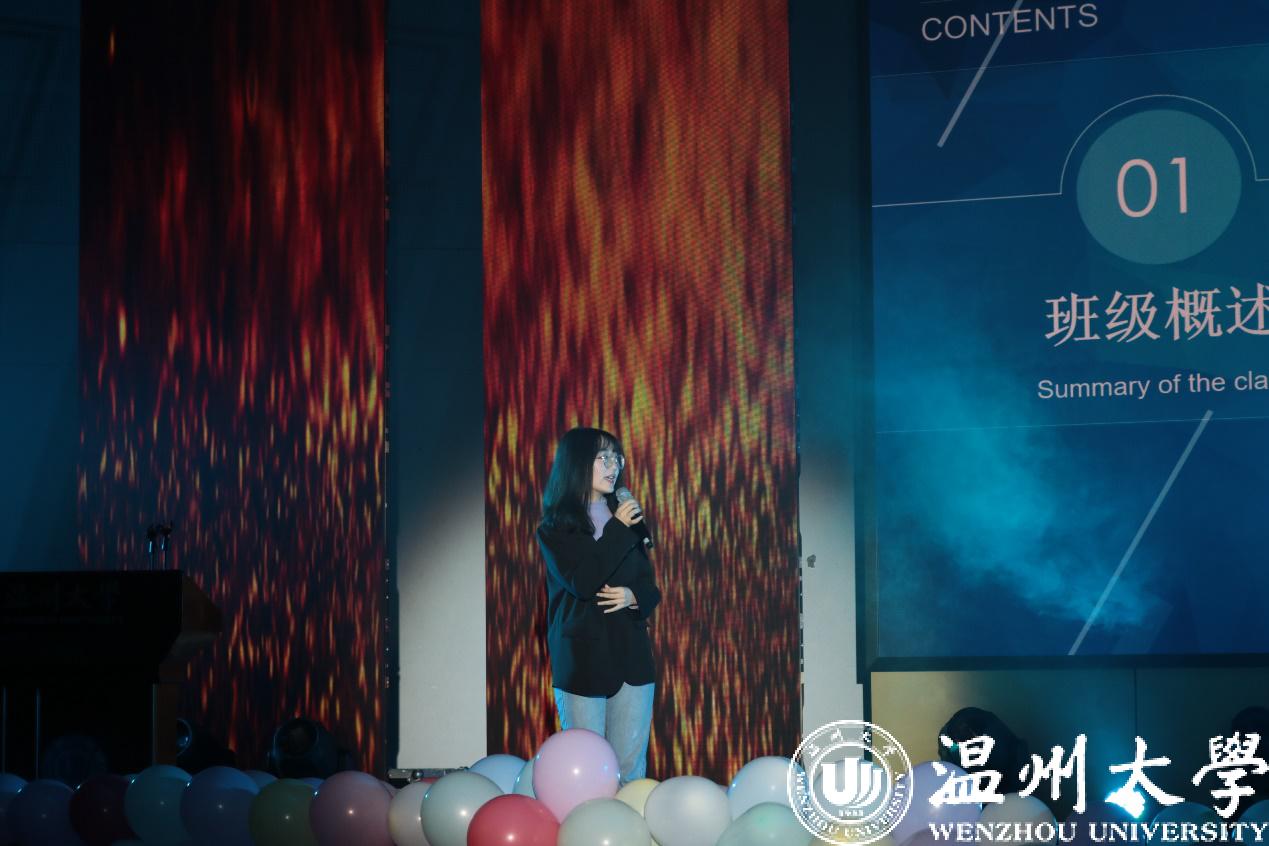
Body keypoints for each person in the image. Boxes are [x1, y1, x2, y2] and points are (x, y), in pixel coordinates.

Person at [537, 426, 661, 784]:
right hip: (584, 663)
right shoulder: (555, 529)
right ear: (577, 463)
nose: (613, 466)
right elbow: (583, 580)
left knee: (629, 770)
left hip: (632, 659)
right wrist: (618, 528)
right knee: (587, 772)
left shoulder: (627, 519)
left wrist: (634, 597)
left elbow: (649, 586)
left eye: (616, 458)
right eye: (602, 458)